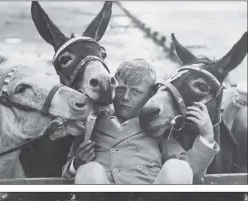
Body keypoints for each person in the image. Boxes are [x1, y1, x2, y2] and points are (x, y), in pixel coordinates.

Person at [62, 58, 219, 184]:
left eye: (136, 92)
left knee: (177, 167)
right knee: (89, 170)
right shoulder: (92, 123)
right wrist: (77, 163)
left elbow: (189, 171)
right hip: (105, 200)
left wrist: (206, 136)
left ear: (150, 95)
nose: (125, 97)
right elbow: (66, 174)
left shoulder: (157, 129)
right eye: (121, 89)